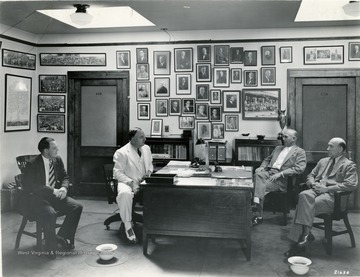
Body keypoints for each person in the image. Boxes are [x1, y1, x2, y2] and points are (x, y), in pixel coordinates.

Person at [284, 137, 358, 257]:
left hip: (333, 197)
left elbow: (351, 184)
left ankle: (302, 240)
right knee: (303, 195)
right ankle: (305, 237)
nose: (327, 148)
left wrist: (327, 188)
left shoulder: (349, 165)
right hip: (316, 191)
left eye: (330, 146)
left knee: (302, 206)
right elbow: (310, 176)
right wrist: (313, 184)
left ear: (340, 149)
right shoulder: (323, 161)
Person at [22, 137, 83, 259]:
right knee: (50, 214)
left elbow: (65, 176)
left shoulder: (57, 160)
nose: (57, 150)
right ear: (45, 150)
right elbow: (31, 186)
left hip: (55, 196)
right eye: (54, 148)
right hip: (38, 199)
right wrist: (53, 190)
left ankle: (61, 236)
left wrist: (64, 188)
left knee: (77, 207)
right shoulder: (32, 164)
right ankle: (50, 248)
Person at [251, 129, 306, 226]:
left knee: (256, 186)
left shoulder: (300, 152)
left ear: (294, 138)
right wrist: (261, 167)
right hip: (268, 172)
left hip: (281, 179)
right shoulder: (278, 148)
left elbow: (299, 168)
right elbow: (267, 159)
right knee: (257, 175)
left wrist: (281, 174)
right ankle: (256, 203)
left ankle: (257, 214)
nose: (283, 138)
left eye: (285, 137)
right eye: (282, 136)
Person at [113, 128, 153, 244]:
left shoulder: (146, 149)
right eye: (141, 137)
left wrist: (149, 173)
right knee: (125, 194)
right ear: (132, 139)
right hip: (127, 182)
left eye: (144, 136)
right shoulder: (122, 152)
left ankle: (155, 225)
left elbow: (150, 165)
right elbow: (117, 173)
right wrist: (131, 183)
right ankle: (128, 226)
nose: (144, 139)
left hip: (143, 182)